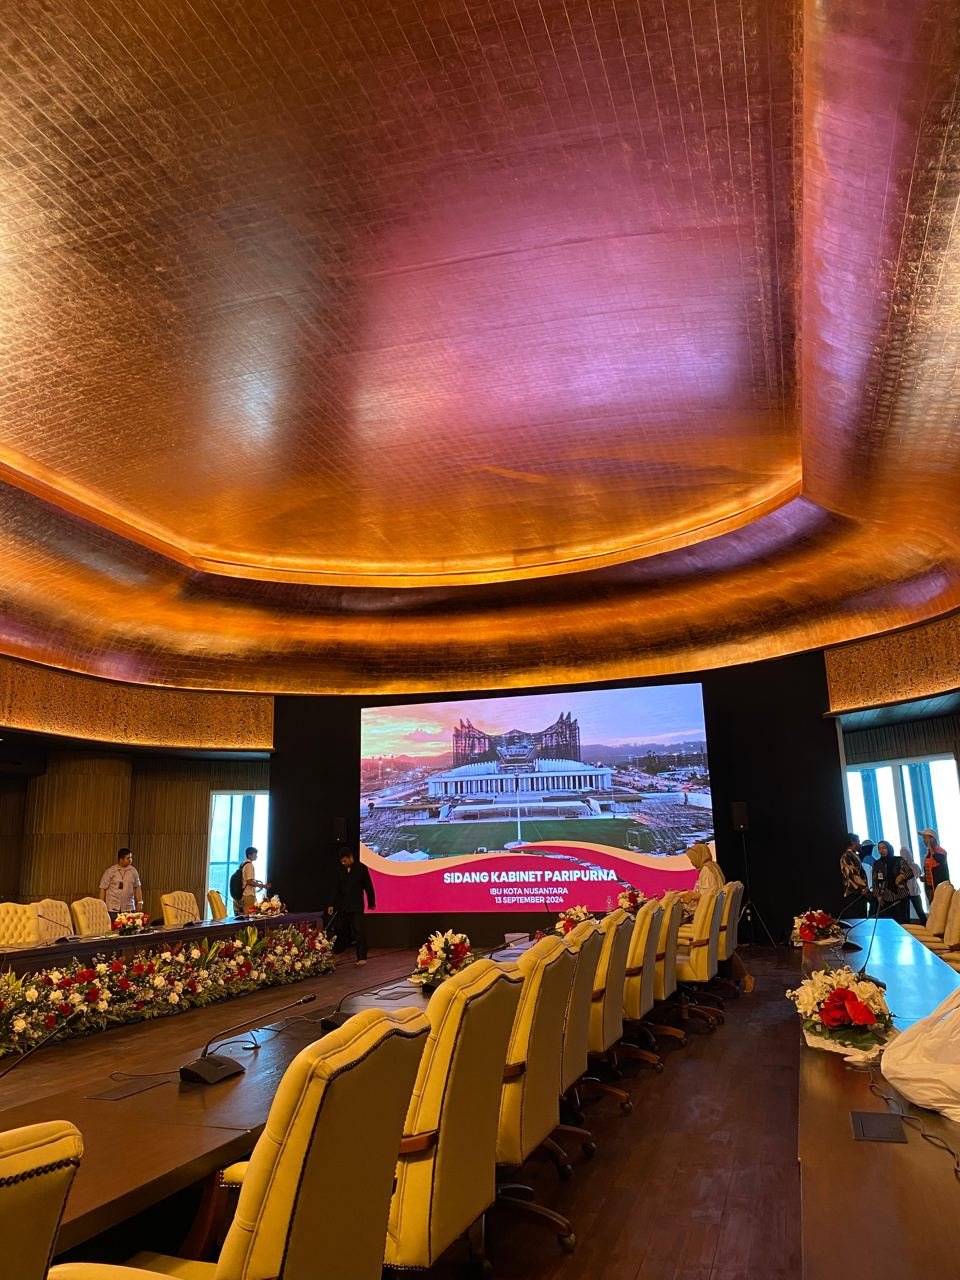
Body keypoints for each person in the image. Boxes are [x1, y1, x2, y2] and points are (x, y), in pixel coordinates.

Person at [683, 842, 754, 993]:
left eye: (692, 859)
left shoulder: (706, 870)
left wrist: (689, 896)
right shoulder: (713, 866)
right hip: (718, 918)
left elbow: (708, 896)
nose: (692, 863)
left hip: (711, 921)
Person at [328, 846, 376, 966]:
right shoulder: (340, 870)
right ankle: (337, 953)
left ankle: (362, 957)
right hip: (343, 906)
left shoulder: (361, 868)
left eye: (345, 860)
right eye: (341, 861)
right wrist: (331, 904)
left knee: (358, 930)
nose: (343, 863)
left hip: (356, 906)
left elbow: (368, 886)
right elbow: (336, 888)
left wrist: (371, 902)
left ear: (350, 857)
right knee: (340, 930)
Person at [98, 848, 144, 921]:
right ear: (121, 859)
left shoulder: (133, 871)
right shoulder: (110, 871)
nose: (130, 860)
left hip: (129, 908)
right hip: (112, 909)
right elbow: (102, 888)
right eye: (128, 858)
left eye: (131, 857)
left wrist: (140, 902)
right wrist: (101, 906)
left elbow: (137, 887)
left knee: (129, 927)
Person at [871, 840, 910, 923]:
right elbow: (875, 881)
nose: (881, 850)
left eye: (884, 848)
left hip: (901, 895)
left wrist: (902, 876)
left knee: (902, 921)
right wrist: (878, 895)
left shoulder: (899, 860)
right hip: (886, 896)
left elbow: (910, 873)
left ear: (889, 848)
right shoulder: (877, 864)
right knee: (889, 921)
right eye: (879, 848)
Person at [230, 847, 267, 916]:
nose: (256, 856)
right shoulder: (249, 865)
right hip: (248, 895)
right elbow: (250, 882)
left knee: (242, 917)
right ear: (249, 855)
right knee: (250, 917)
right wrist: (263, 886)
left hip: (242, 894)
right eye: (255, 854)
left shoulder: (243, 864)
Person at [839, 834, 869, 918]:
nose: (860, 844)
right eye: (858, 841)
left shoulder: (854, 855)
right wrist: (864, 888)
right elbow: (852, 874)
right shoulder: (847, 856)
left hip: (859, 894)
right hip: (853, 893)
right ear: (853, 842)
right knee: (856, 919)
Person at [920, 828, 950, 907]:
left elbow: (941, 862)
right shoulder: (928, 853)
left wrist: (932, 849)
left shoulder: (940, 852)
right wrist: (925, 877)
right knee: (933, 908)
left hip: (939, 888)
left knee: (941, 908)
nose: (923, 840)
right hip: (930, 888)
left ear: (932, 839)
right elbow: (930, 869)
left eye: (925, 838)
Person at [899, 845, 926, 925]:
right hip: (914, 890)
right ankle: (924, 925)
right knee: (919, 911)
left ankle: (907, 927)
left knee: (906, 913)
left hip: (906, 891)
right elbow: (918, 875)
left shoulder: (901, 867)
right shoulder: (915, 866)